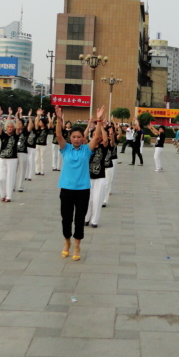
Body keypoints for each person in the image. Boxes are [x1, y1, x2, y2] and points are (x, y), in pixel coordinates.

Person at [55, 105, 105, 261]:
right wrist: (59, 119)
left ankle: (77, 245)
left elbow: (97, 137)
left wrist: (99, 120)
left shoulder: (86, 149)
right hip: (66, 189)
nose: (76, 139)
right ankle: (67, 242)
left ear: (83, 138)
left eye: (79, 137)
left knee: (79, 219)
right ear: (70, 138)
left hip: (83, 190)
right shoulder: (65, 149)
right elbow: (58, 135)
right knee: (66, 218)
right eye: (74, 137)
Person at [85, 119, 109, 228]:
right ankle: (86, 218)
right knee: (87, 199)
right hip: (88, 178)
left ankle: (94, 220)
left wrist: (101, 126)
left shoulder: (103, 147)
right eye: (94, 133)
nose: (97, 135)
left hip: (100, 178)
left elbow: (105, 139)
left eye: (98, 134)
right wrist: (89, 125)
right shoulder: (87, 147)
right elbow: (83, 137)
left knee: (97, 200)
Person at [0, 106, 21, 202]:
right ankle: (3, 194)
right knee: (1, 178)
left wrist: (16, 117)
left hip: (12, 158)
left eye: (11, 127)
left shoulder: (16, 136)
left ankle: (9, 196)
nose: (10, 128)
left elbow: (18, 127)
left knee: (10, 177)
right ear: (6, 127)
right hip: (2, 158)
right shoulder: (3, 135)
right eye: (8, 127)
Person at [15, 111, 33, 193]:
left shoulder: (25, 132)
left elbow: (31, 125)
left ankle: (20, 186)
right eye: (17, 123)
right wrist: (17, 115)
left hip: (23, 152)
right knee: (13, 170)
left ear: (22, 125)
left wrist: (29, 116)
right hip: (14, 153)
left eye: (19, 123)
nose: (18, 124)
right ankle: (12, 185)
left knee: (22, 170)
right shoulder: (14, 132)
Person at [33, 111, 49, 176]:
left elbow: (50, 123)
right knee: (37, 158)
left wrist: (49, 116)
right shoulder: (38, 128)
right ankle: (37, 170)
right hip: (37, 144)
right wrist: (38, 115)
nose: (39, 123)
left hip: (43, 145)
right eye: (39, 122)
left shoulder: (46, 129)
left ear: (43, 123)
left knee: (42, 158)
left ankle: (42, 171)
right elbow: (36, 122)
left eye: (41, 122)